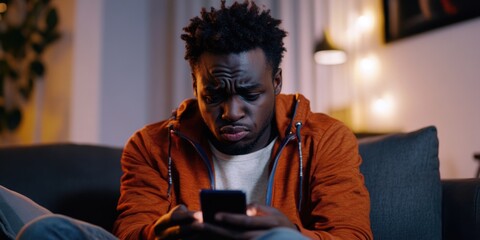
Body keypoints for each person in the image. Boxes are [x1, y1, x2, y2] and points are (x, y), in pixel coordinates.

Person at [1, 0, 372, 239]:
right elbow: (129, 233)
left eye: (250, 93)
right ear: (195, 85)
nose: (231, 112)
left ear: (276, 82)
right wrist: (160, 234)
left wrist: (288, 229)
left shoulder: (325, 138)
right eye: (214, 95)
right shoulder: (151, 145)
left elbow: (352, 236)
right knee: (49, 230)